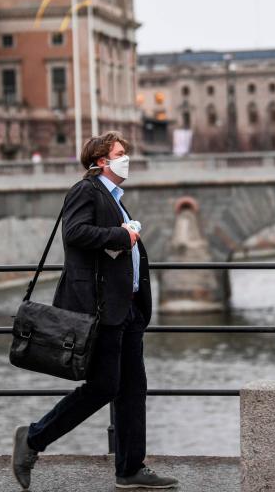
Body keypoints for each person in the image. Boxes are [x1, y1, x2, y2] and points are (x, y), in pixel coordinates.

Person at [12, 131, 178, 490]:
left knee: (133, 388)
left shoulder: (114, 197)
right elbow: (75, 233)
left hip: (128, 308)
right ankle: (33, 438)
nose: (126, 158)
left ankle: (131, 468)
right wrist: (122, 236)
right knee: (104, 386)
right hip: (103, 309)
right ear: (101, 160)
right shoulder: (86, 190)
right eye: (120, 153)